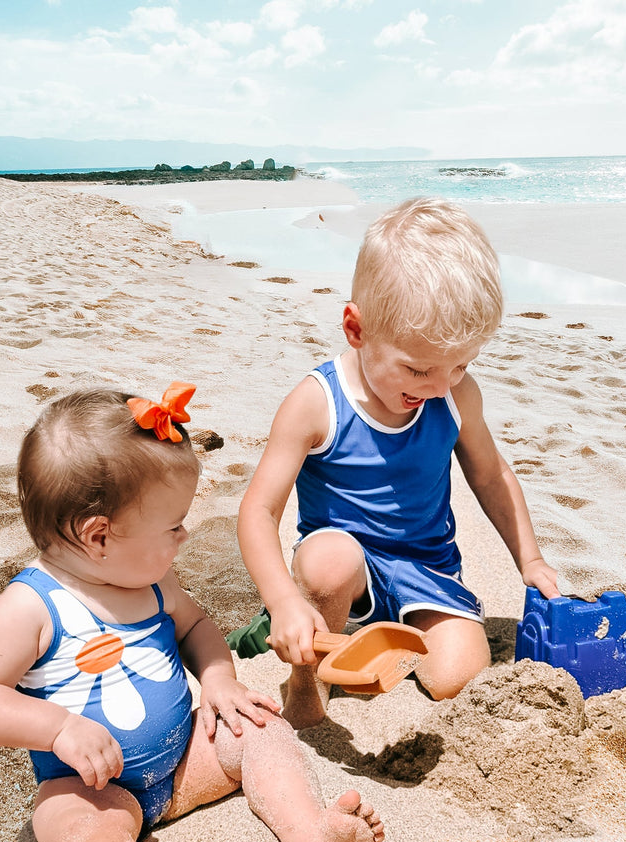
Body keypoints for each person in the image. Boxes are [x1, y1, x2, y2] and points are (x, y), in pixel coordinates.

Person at [0, 386, 384, 842]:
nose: (183, 538)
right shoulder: (31, 607)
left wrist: (221, 678)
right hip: (94, 787)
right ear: (98, 536)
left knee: (259, 726)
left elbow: (198, 626)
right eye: (173, 526)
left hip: (184, 764)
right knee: (73, 831)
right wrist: (59, 727)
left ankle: (307, 829)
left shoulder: (153, 580)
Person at [237, 198, 560, 730]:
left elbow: (491, 474)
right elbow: (258, 511)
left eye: (460, 365)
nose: (437, 387)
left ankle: (383, 639)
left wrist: (531, 560)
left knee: (457, 676)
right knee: (328, 562)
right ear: (356, 329)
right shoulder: (318, 403)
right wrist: (283, 598)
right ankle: (305, 680)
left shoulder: (455, 396)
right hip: (344, 574)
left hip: (427, 571)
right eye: (417, 368)